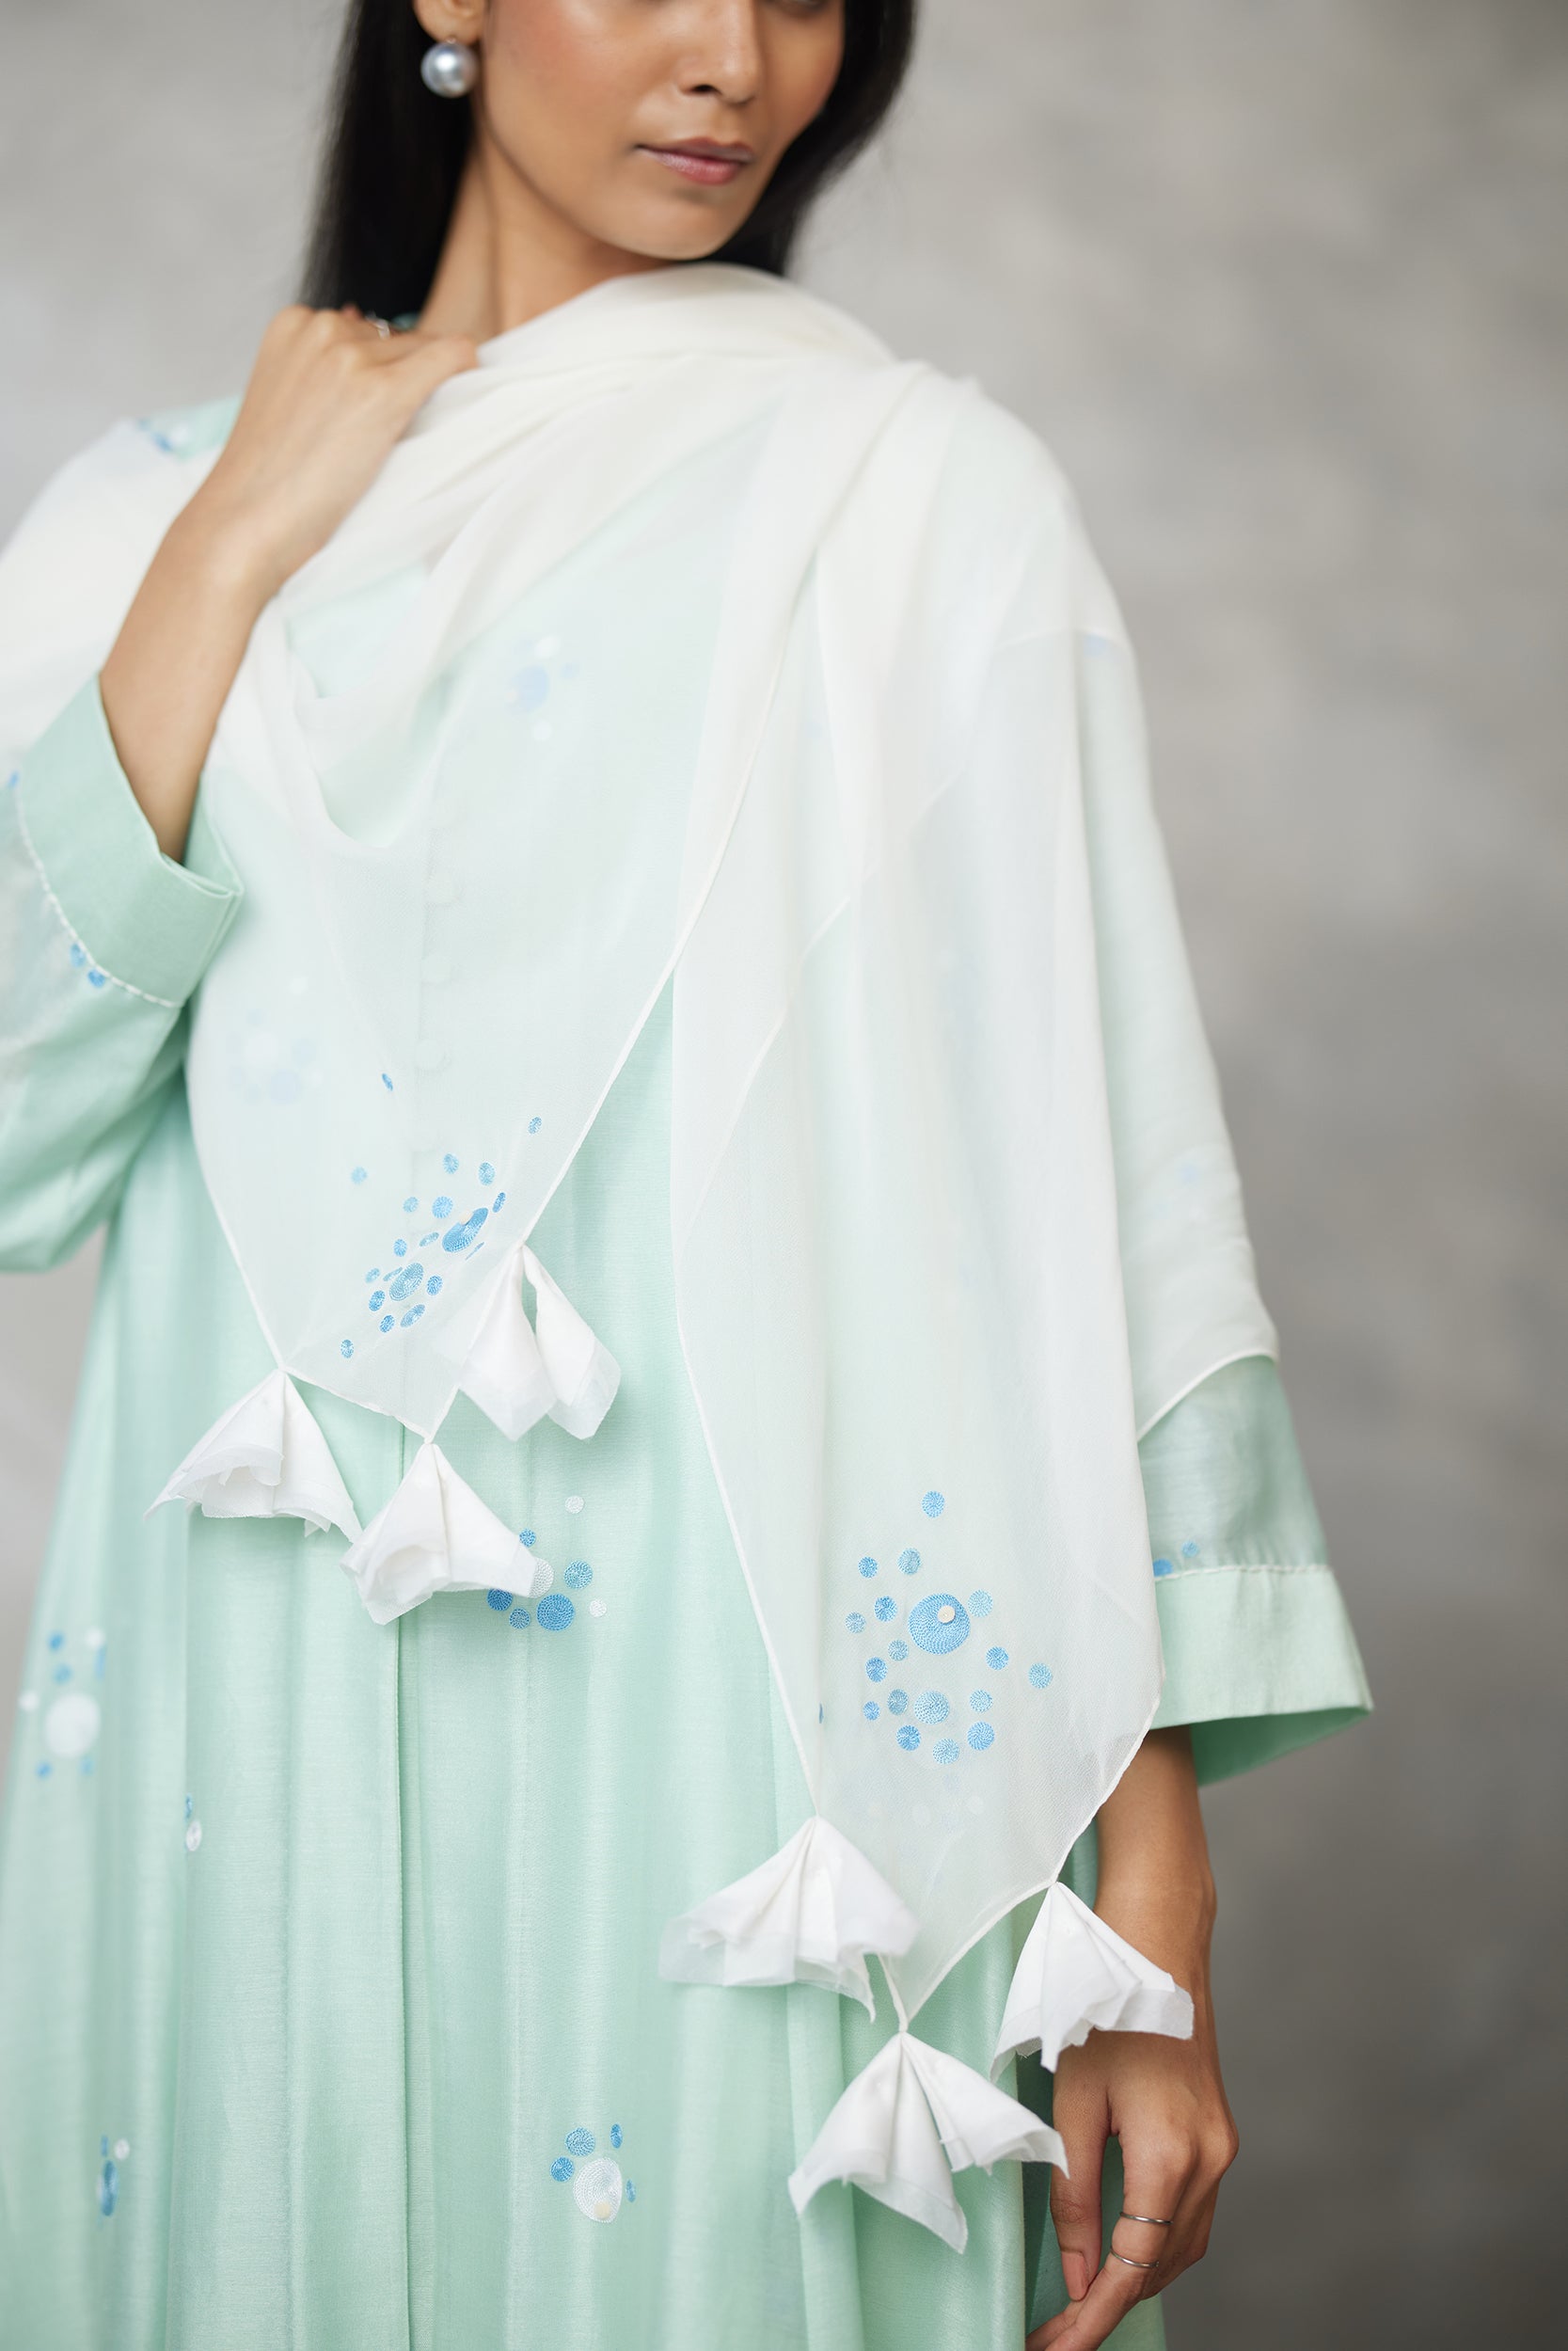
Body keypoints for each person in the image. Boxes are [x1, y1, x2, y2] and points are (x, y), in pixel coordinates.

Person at [0, 6, 1370, 2346]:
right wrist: (232, 545)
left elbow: (1075, 1193)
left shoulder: (912, 503)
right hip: (250, 1733)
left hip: (742, 1744)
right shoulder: (145, 518)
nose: (734, 56)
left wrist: (1146, 1886)